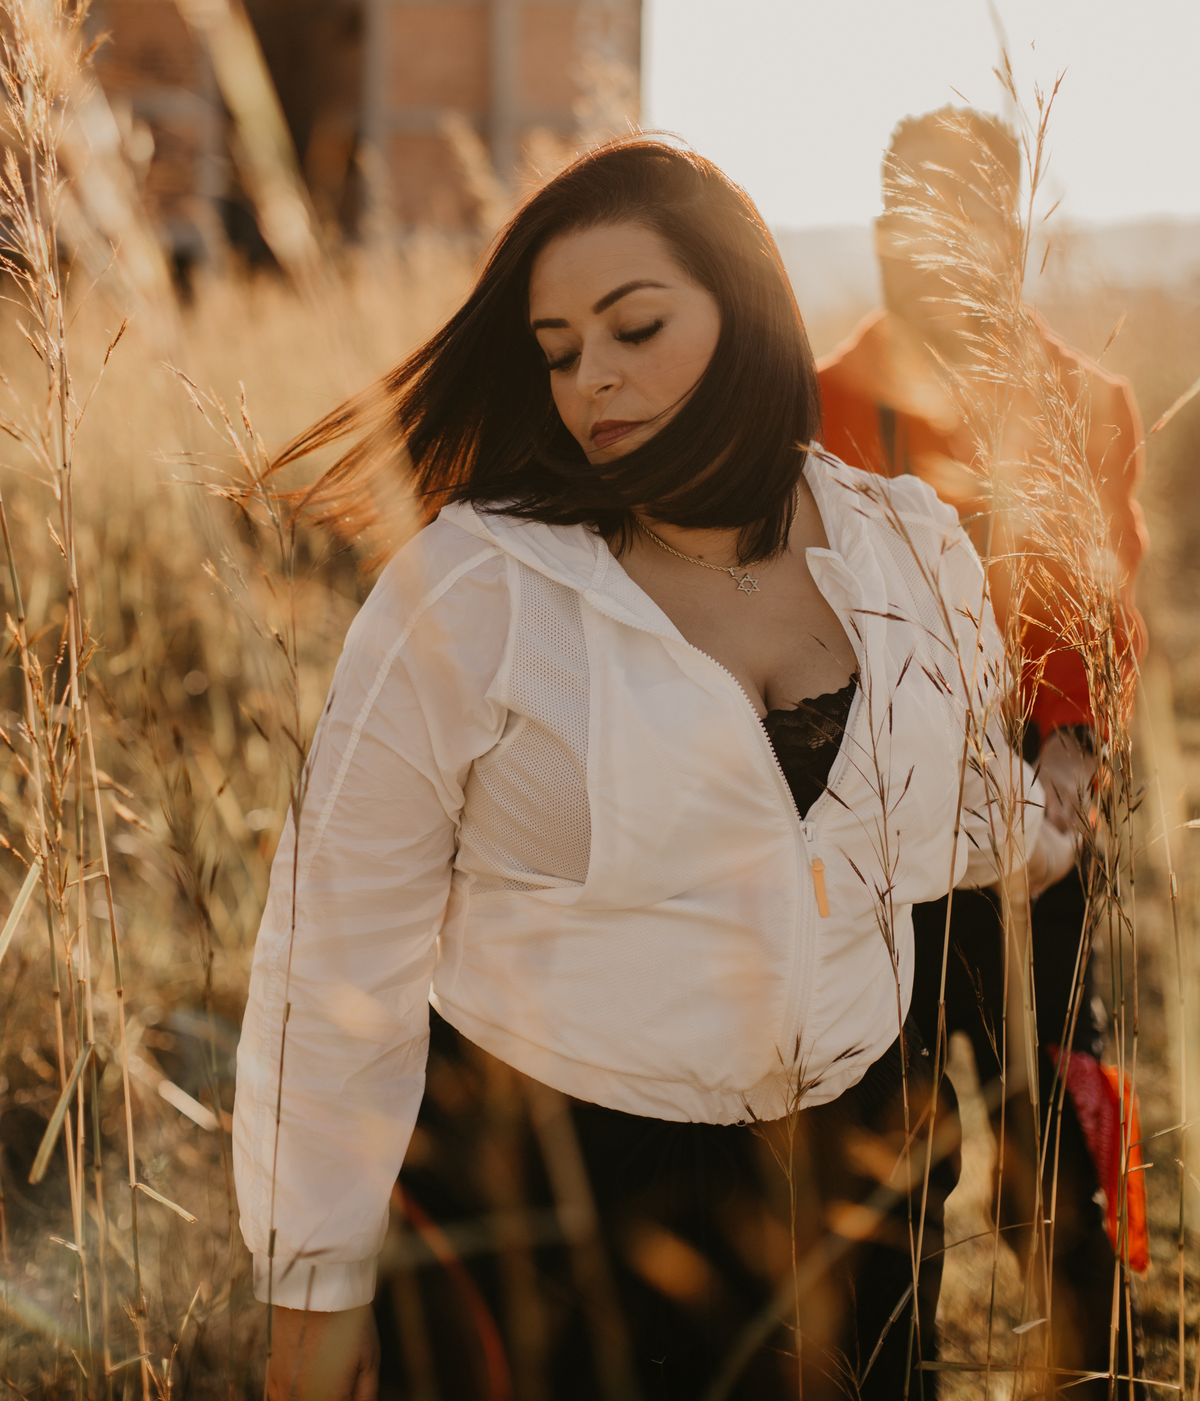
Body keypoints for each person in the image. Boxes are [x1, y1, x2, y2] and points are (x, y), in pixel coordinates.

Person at [233, 138, 1072, 1401]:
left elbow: (937, 801)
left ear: (747, 307)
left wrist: (1040, 830)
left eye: (635, 328)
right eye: (559, 350)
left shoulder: (907, 545)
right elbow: (336, 951)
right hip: (553, 1196)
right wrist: (315, 1295)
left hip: (856, 1176)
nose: (593, 380)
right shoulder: (476, 588)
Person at [818, 107, 1149, 1395]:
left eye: (962, 216)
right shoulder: (819, 402)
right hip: (872, 822)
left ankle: (1090, 1367)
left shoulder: (1086, 401)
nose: (931, 243)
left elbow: (1097, 608)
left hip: (1040, 825)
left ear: (1008, 234)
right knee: (885, 1152)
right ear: (879, 232)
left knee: (1058, 1126)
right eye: (908, 217)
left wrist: (1066, 760)